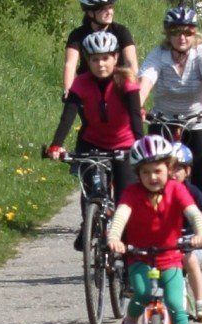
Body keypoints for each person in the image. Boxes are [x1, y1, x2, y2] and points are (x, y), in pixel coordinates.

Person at [108, 134, 202, 324]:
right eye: (146, 172)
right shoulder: (132, 193)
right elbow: (121, 215)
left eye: (158, 171)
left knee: (177, 306)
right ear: (137, 174)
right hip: (140, 256)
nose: (153, 177)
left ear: (169, 169)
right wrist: (115, 237)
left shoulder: (177, 189)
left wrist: (201, 233)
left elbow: (193, 213)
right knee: (140, 294)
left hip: (171, 256)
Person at [44, 31, 144, 248]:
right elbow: (68, 116)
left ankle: (127, 254)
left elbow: (136, 116)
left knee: (125, 199)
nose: (101, 64)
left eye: (106, 58)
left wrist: (141, 144)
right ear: (87, 61)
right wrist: (56, 144)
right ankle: (88, 225)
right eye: (95, 59)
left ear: (116, 57)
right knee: (90, 191)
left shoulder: (126, 80)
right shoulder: (81, 83)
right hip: (92, 143)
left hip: (124, 144)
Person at [139, 6, 202, 203]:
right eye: (176, 32)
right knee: (158, 175)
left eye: (187, 32)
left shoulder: (201, 52)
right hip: (163, 119)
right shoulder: (159, 54)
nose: (182, 37)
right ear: (168, 34)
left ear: (194, 33)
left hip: (198, 120)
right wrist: (138, 106)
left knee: (200, 175)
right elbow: (146, 80)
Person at [169, 143, 202, 323]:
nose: (173, 174)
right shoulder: (157, 193)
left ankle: (200, 302)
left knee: (190, 260)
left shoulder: (191, 191)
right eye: (168, 168)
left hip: (190, 238)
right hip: (165, 241)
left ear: (188, 171)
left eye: (178, 169)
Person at [63, 0, 139, 97]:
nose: (110, 12)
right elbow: (70, 65)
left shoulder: (121, 31)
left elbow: (131, 63)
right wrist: (68, 91)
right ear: (90, 13)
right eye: (104, 9)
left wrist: (134, 91)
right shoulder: (77, 34)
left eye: (111, 8)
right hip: (89, 88)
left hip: (117, 85)